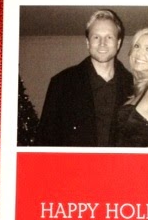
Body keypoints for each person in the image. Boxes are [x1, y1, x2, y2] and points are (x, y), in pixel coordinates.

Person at [35, 9, 133, 147]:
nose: (102, 43)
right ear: (87, 42)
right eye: (96, 37)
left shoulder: (134, 86)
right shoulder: (61, 83)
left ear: (118, 43)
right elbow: (44, 139)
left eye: (109, 37)